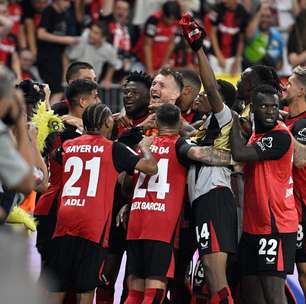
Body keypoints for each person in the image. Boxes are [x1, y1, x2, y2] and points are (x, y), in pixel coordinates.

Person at [47, 103, 157, 304]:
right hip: (92, 226)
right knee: (85, 289)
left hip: (63, 222)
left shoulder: (68, 146)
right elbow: (150, 167)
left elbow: (54, 156)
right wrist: (144, 148)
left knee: (57, 286)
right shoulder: (115, 149)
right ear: (108, 122)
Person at [178, 13, 237, 303]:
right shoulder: (203, 128)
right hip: (205, 202)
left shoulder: (224, 118)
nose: (200, 96)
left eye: (204, 94)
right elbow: (183, 130)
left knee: (217, 281)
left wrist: (198, 48)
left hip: (214, 199)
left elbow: (212, 88)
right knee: (209, 285)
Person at [231, 84, 298, 304]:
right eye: (263, 106)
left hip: (275, 226)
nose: (270, 111)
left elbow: (239, 154)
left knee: (274, 297)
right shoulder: (255, 136)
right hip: (252, 228)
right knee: (251, 295)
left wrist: (229, 120)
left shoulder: (279, 136)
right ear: (253, 110)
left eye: (274, 107)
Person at [34, 79, 99, 280]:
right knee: (54, 275)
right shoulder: (70, 132)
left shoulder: (59, 127)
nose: (99, 101)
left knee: (57, 274)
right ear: (82, 102)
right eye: (95, 97)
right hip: (58, 206)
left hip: (58, 205)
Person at [124, 103, 187, 304]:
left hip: (136, 219)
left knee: (134, 293)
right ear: (179, 122)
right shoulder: (183, 146)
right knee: (154, 292)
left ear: (156, 122)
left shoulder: (143, 146)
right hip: (162, 225)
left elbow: (125, 180)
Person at [283, 65, 306, 300]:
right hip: (288, 206)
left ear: (301, 91)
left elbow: (300, 159)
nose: (284, 86)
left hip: (303, 202)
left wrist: (279, 129)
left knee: (304, 270)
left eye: (289, 83)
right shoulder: (287, 119)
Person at [66, 21, 120, 86]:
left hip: (92, 85)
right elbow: (66, 55)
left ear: (103, 38)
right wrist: (65, 75)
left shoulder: (108, 49)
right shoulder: (81, 42)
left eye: (96, 33)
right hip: (76, 83)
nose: (91, 34)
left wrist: (107, 79)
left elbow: (112, 64)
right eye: (91, 30)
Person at [243, 2, 284, 70]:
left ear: (272, 18)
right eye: (262, 16)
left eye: (268, 17)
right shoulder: (253, 31)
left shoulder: (277, 35)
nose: (265, 20)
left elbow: (280, 63)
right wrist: (260, 10)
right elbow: (249, 36)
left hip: (269, 75)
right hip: (251, 73)